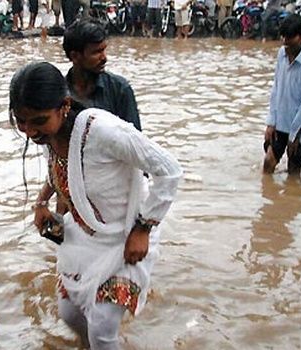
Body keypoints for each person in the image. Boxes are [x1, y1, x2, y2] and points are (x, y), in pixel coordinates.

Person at [9, 62, 182, 349]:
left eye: (37, 121)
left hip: (126, 235)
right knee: (69, 314)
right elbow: (62, 169)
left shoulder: (103, 132)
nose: (28, 131)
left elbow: (170, 170)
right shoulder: (48, 134)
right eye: (21, 121)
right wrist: (41, 203)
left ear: (64, 106)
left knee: (102, 326)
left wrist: (144, 229)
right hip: (85, 237)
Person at [263, 14, 301, 177]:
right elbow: (276, 87)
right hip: (280, 119)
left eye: (289, 38)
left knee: (294, 172)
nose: (285, 42)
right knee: (268, 163)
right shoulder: (282, 53)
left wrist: (294, 135)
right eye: (283, 37)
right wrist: (271, 122)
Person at [62, 18, 142, 131]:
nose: (104, 58)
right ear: (75, 56)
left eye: (104, 50)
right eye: (96, 52)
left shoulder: (119, 89)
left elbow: (136, 141)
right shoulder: (58, 93)